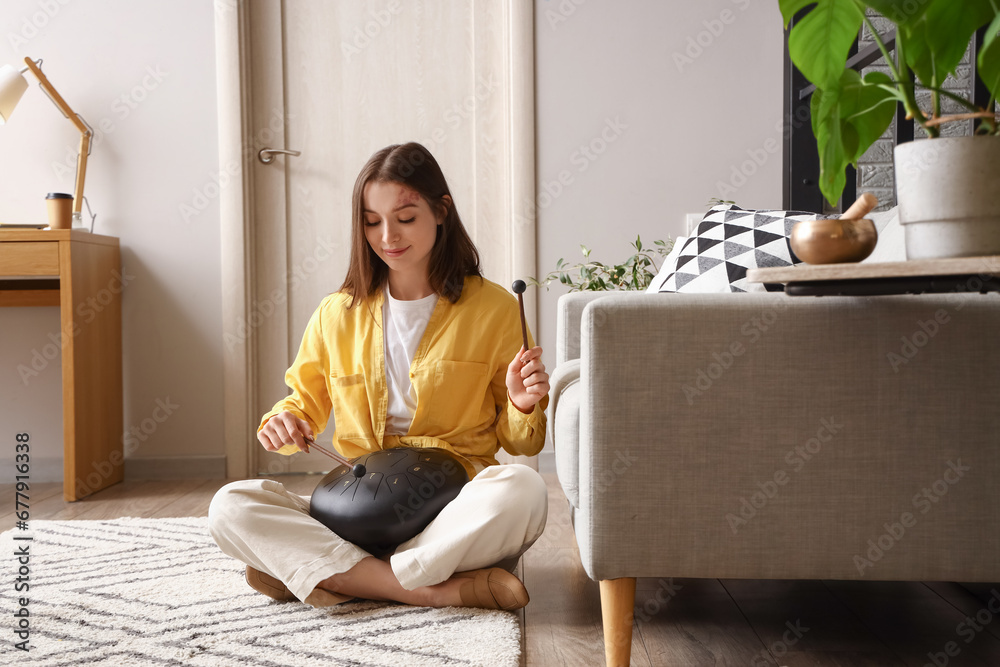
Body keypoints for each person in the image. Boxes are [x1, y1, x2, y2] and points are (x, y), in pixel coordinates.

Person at [208, 142, 550, 611]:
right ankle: (427, 586)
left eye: (405, 218)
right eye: (371, 221)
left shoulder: (494, 308)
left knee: (524, 491)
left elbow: (522, 445)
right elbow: (300, 406)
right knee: (231, 505)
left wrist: (522, 403)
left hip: (450, 505)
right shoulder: (336, 312)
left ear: (441, 211)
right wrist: (283, 422)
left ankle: (329, 574)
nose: (387, 235)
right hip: (357, 507)